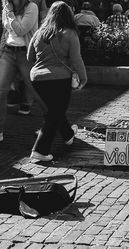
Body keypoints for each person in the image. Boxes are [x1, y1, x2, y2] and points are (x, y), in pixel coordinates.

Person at [27, 0, 87, 161]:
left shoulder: (40, 32)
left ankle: (68, 135)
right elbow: (76, 59)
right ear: (68, 15)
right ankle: (40, 150)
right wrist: (83, 77)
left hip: (37, 78)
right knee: (55, 113)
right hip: (59, 79)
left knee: (54, 110)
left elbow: (29, 57)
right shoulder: (69, 33)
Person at [0, 0, 38, 142]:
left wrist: (9, 12)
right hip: (8, 53)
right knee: (0, 91)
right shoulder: (6, 6)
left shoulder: (31, 7)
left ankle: (57, 126)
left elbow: (21, 30)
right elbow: (6, 31)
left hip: (26, 54)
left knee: (38, 91)